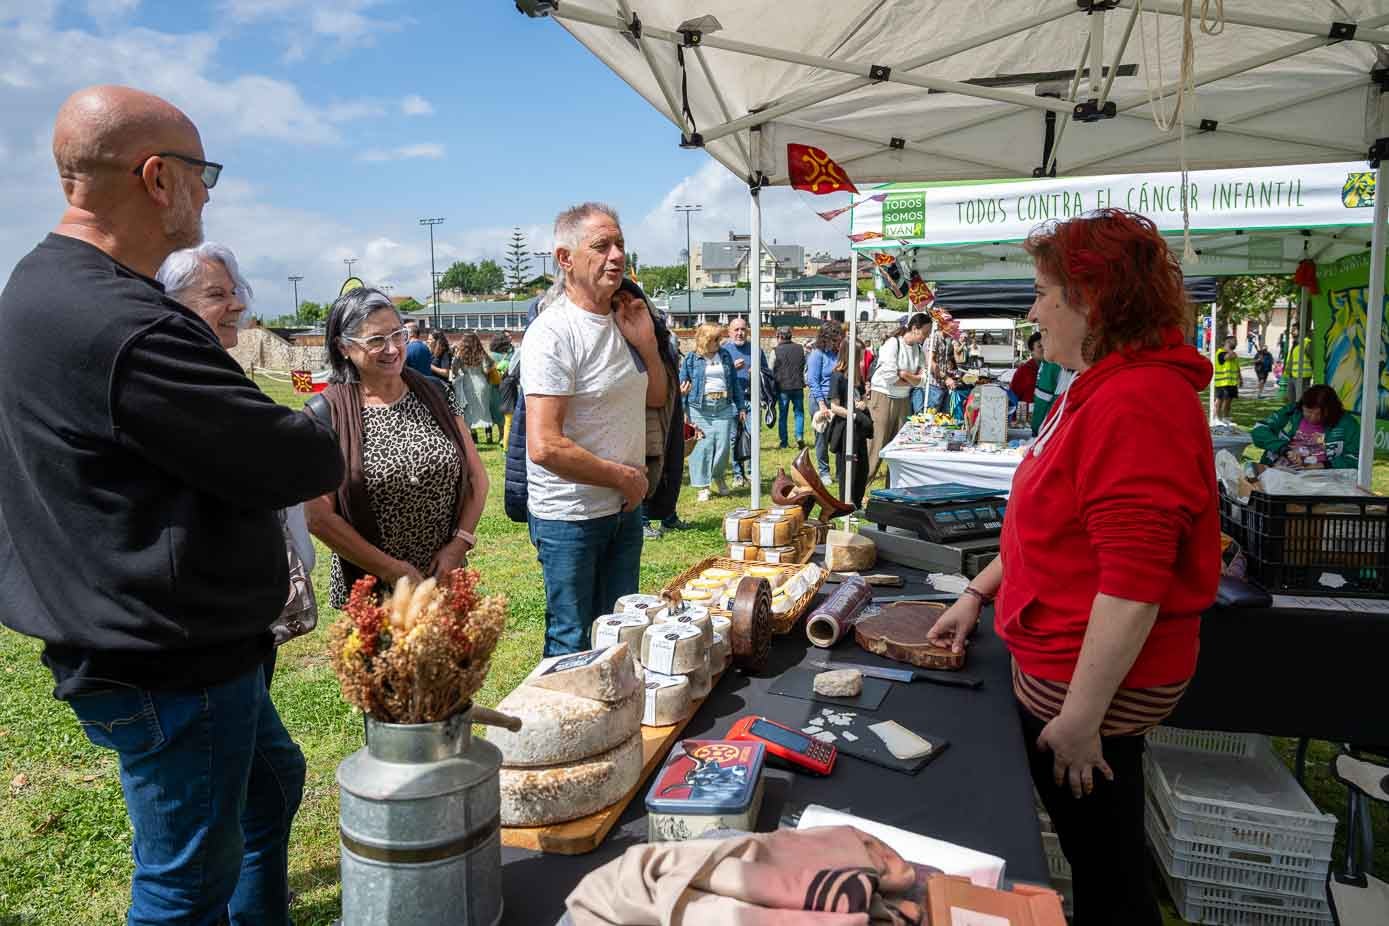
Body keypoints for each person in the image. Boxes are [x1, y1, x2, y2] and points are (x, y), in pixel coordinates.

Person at [0, 86, 344, 925]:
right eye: (203, 172)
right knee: (184, 884)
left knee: (269, 788)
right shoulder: (129, 323)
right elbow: (294, 460)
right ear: (157, 178)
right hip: (166, 657)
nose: (208, 191)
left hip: (128, 629)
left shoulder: (38, 286)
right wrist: (314, 412)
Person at [927, 209, 1219, 926]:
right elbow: (1045, 526)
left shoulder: (1137, 400)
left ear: (1089, 299)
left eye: (1039, 293)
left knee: (1106, 869)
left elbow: (1131, 582)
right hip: (1065, 663)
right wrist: (978, 592)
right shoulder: (1095, 386)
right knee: (1100, 852)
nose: (1033, 313)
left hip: (1089, 687)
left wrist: (1081, 720)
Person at [156, 242, 316, 688]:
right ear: (170, 302)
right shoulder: (182, 383)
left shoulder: (215, 370)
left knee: (272, 758)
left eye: (235, 291)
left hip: (240, 613)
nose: (238, 304)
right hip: (208, 623)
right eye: (216, 295)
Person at [521, 203, 675, 656]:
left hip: (623, 510)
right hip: (570, 516)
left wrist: (646, 343)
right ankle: (563, 726)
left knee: (621, 633)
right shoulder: (553, 333)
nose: (616, 256)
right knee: (571, 641)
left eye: (620, 245)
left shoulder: (627, 319)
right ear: (565, 259)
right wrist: (624, 478)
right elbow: (545, 446)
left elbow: (656, 398)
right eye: (601, 246)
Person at [305, 288, 489, 613]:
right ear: (344, 347)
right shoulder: (326, 413)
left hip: (445, 579)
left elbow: (477, 479)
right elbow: (318, 517)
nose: (392, 349)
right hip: (373, 594)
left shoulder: (437, 394)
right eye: (375, 340)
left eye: (398, 334)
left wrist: (458, 546)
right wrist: (392, 570)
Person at [682, 322, 746, 502]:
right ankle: (703, 486)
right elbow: (682, 384)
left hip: (724, 406)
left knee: (723, 446)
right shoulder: (691, 359)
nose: (720, 341)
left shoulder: (725, 355)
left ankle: (718, 476)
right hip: (700, 408)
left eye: (720, 338)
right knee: (702, 448)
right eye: (716, 339)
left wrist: (740, 406)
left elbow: (734, 382)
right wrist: (683, 409)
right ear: (705, 340)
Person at [866, 312, 931, 483]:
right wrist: (912, 379)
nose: (927, 336)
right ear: (915, 329)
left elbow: (924, 380)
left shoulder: (918, 350)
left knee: (898, 448)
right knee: (876, 447)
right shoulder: (893, 344)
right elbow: (889, 377)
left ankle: (893, 488)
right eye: (925, 332)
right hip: (883, 399)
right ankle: (858, 493)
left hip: (903, 400)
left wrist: (904, 375)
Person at [1250, 384, 1360, 470]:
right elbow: (1259, 430)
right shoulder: (1291, 412)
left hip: (1326, 477)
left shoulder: (1347, 423)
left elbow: (1355, 458)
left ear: (1331, 411)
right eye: (1308, 412)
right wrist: (1284, 449)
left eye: (1319, 414)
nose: (1313, 418)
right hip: (1281, 470)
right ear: (1302, 406)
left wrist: (1323, 465)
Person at [828, 339, 872, 508]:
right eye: (859, 357)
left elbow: (861, 399)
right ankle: (846, 504)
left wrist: (863, 404)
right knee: (848, 470)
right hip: (845, 430)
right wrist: (853, 414)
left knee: (862, 469)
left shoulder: (857, 378)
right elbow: (834, 406)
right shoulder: (837, 376)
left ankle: (858, 503)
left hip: (859, 430)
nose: (861, 361)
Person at [722, 316, 764, 489]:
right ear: (729, 332)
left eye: (743, 329)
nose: (740, 333)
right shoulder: (723, 351)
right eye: (736, 330)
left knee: (753, 436)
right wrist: (732, 368)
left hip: (751, 399)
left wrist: (759, 371)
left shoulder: (756, 350)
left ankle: (752, 473)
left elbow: (767, 374)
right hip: (731, 401)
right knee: (734, 439)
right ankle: (738, 475)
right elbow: (717, 377)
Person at [807, 320, 843, 480]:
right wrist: (822, 405)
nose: (837, 342)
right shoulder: (817, 354)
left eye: (838, 339)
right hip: (819, 400)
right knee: (821, 436)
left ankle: (840, 469)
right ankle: (824, 472)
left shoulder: (837, 353)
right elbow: (813, 381)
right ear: (825, 338)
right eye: (834, 340)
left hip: (836, 399)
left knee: (838, 435)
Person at [451, 332, 496, 444]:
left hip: (467, 384)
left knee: (470, 411)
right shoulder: (481, 354)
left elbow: (455, 370)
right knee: (485, 410)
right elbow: (486, 369)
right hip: (482, 382)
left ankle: (474, 437)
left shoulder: (460, 355)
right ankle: (489, 436)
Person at [772, 325, 806, 449]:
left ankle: (784, 442)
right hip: (798, 385)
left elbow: (771, 370)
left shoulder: (775, 350)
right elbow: (803, 364)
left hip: (782, 387)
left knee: (783, 415)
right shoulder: (800, 348)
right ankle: (799, 437)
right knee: (799, 413)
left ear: (779, 336)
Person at [488, 332, 513, 444]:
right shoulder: (508, 356)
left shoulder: (490, 355)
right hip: (506, 386)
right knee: (504, 413)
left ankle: (490, 436)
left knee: (493, 411)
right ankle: (503, 435)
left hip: (492, 386)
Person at [1010, 331, 1044, 408]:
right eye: (1040, 346)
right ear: (1032, 351)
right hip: (1027, 415)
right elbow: (1013, 396)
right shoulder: (1023, 370)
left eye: (1045, 345)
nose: (1044, 348)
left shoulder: (1054, 368)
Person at [1213, 334, 1241, 420]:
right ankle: (1216, 418)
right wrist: (1228, 348)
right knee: (1220, 401)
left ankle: (1226, 418)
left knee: (1228, 402)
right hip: (1222, 383)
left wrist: (1240, 378)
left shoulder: (1233, 354)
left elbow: (1237, 367)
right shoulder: (1220, 353)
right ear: (1227, 342)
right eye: (1234, 341)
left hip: (1231, 383)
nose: (1236, 343)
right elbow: (1229, 357)